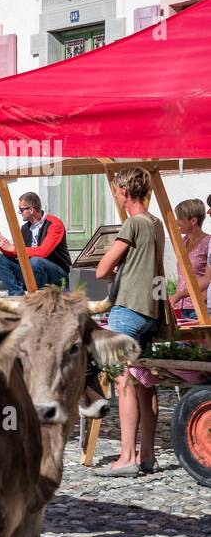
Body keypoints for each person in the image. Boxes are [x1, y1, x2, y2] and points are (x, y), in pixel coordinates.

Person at [95, 168, 165, 477]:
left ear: (125, 193)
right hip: (150, 311)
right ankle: (147, 456)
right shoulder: (155, 223)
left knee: (123, 382)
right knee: (145, 383)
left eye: (117, 191)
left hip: (127, 310)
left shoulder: (134, 223)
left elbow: (101, 269)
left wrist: (112, 275)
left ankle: (126, 457)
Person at [0, 192, 70, 294]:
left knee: (36, 261)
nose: (19, 212)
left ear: (31, 210)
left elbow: (43, 252)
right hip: (33, 271)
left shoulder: (54, 224)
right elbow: (17, 253)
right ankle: (17, 295)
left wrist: (12, 248)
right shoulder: (25, 228)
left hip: (57, 274)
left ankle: (40, 296)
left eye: (21, 209)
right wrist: (1, 244)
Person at [170, 198, 210, 324]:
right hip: (180, 306)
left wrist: (179, 295)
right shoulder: (183, 242)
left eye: (180, 218)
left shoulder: (208, 242)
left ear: (193, 220)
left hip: (198, 305)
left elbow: (207, 278)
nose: (177, 222)